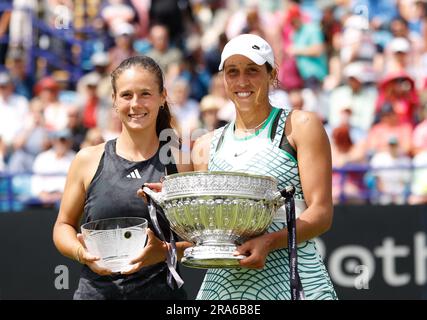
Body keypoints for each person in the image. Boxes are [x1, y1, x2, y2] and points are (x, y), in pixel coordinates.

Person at [191, 33, 337, 300]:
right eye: (232, 72)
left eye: (253, 71)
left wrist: (268, 242)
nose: (242, 81)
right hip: (224, 289)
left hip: (296, 280)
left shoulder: (301, 126)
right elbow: (205, 229)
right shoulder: (204, 145)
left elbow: (322, 213)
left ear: (272, 75)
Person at [53, 55, 193, 300]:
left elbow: (199, 242)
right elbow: (63, 225)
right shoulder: (87, 160)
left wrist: (163, 252)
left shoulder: (181, 163)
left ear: (162, 97)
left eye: (145, 94)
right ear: (115, 101)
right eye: (127, 95)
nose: (135, 104)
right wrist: (80, 252)